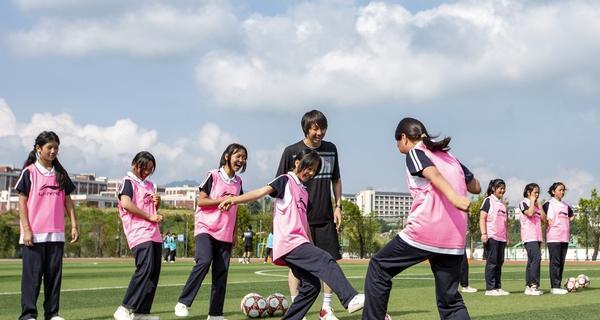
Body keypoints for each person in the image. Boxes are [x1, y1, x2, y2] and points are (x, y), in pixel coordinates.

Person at [219, 149, 364, 320]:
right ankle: (350, 298)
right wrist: (233, 199)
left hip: (300, 243)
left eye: (314, 170)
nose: (310, 172)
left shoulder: (304, 191)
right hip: (289, 243)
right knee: (326, 259)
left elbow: (304, 223)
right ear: (297, 163)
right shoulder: (285, 180)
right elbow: (260, 192)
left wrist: (311, 245)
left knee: (311, 287)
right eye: (307, 167)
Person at [362, 117, 481, 320]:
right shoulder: (450, 157)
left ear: (404, 137)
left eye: (397, 142)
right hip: (454, 238)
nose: (398, 146)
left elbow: (432, 173)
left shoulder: (416, 152)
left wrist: (453, 197)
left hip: (426, 231)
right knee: (450, 300)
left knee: (379, 266)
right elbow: (476, 187)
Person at [276, 110, 343, 319]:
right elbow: (279, 184)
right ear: (306, 128)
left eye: (322, 127)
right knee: (296, 265)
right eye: (315, 128)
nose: (319, 132)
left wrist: (338, 206)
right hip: (298, 219)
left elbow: (336, 180)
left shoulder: (331, 149)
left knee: (329, 260)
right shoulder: (291, 151)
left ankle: (326, 309)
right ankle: (299, 310)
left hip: (324, 217)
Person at [174, 143, 247, 318]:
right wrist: (223, 199)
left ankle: (215, 314)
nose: (241, 160)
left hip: (225, 232)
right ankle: (183, 302)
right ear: (228, 156)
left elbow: (235, 207)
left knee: (221, 274)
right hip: (205, 228)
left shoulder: (238, 182)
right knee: (204, 261)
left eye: (244, 158)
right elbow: (202, 201)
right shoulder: (213, 176)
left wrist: (234, 232)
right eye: (238, 156)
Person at [15, 131, 79, 320]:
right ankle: (28, 315)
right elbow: (21, 203)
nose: (53, 151)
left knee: (53, 278)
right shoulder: (29, 173)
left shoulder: (60, 174)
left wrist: (74, 225)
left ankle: (52, 314)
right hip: (33, 235)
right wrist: (26, 230)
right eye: (49, 147)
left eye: (56, 148)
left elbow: (68, 201)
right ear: (38, 149)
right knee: (32, 278)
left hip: (56, 234)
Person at [113, 151, 163, 320]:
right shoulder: (128, 182)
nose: (147, 172)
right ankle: (124, 307)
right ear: (135, 164)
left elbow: (151, 209)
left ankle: (141, 312)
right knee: (145, 267)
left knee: (154, 271)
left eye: (151, 169)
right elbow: (126, 204)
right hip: (138, 232)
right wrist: (149, 216)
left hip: (154, 233)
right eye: (144, 168)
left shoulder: (149, 185)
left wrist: (157, 204)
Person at [543, 182, 575, 295]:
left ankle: (558, 285)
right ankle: (554, 286)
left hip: (564, 237)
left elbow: (572, 215)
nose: (562, 192)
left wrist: (566, 221)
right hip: (554, 237)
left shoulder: (565, 205)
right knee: (555, 262)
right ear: (553, 191)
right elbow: (544, 217)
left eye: (563, 190)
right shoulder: (548, 204)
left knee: (561, 262)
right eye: (560, 190)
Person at [480, 179, 509, 296]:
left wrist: (507, 236)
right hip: (491, 236)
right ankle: (490, 288)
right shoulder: (488, 200)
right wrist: (484, 233)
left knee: (499, 263)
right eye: (500, 188)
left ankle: (497, 287)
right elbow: (482, 218)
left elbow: (505, 222)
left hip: (501, 237)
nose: (502, 190)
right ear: (493, 189)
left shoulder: (503, 205)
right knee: (491, 263)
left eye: (503, 188)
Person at [519, 183, 546, 296]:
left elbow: (544, 219)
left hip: (537, 237)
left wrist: (539, 206)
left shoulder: (536, 205)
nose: (537, 194)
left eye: (538, 192)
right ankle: (533, 285)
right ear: (528, 193)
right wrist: (531, 201)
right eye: (535, 192)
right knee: (536, 259)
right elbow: (529, 213)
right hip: (529, 237)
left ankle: (529, 287)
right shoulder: (523, 203)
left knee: (531, 262)